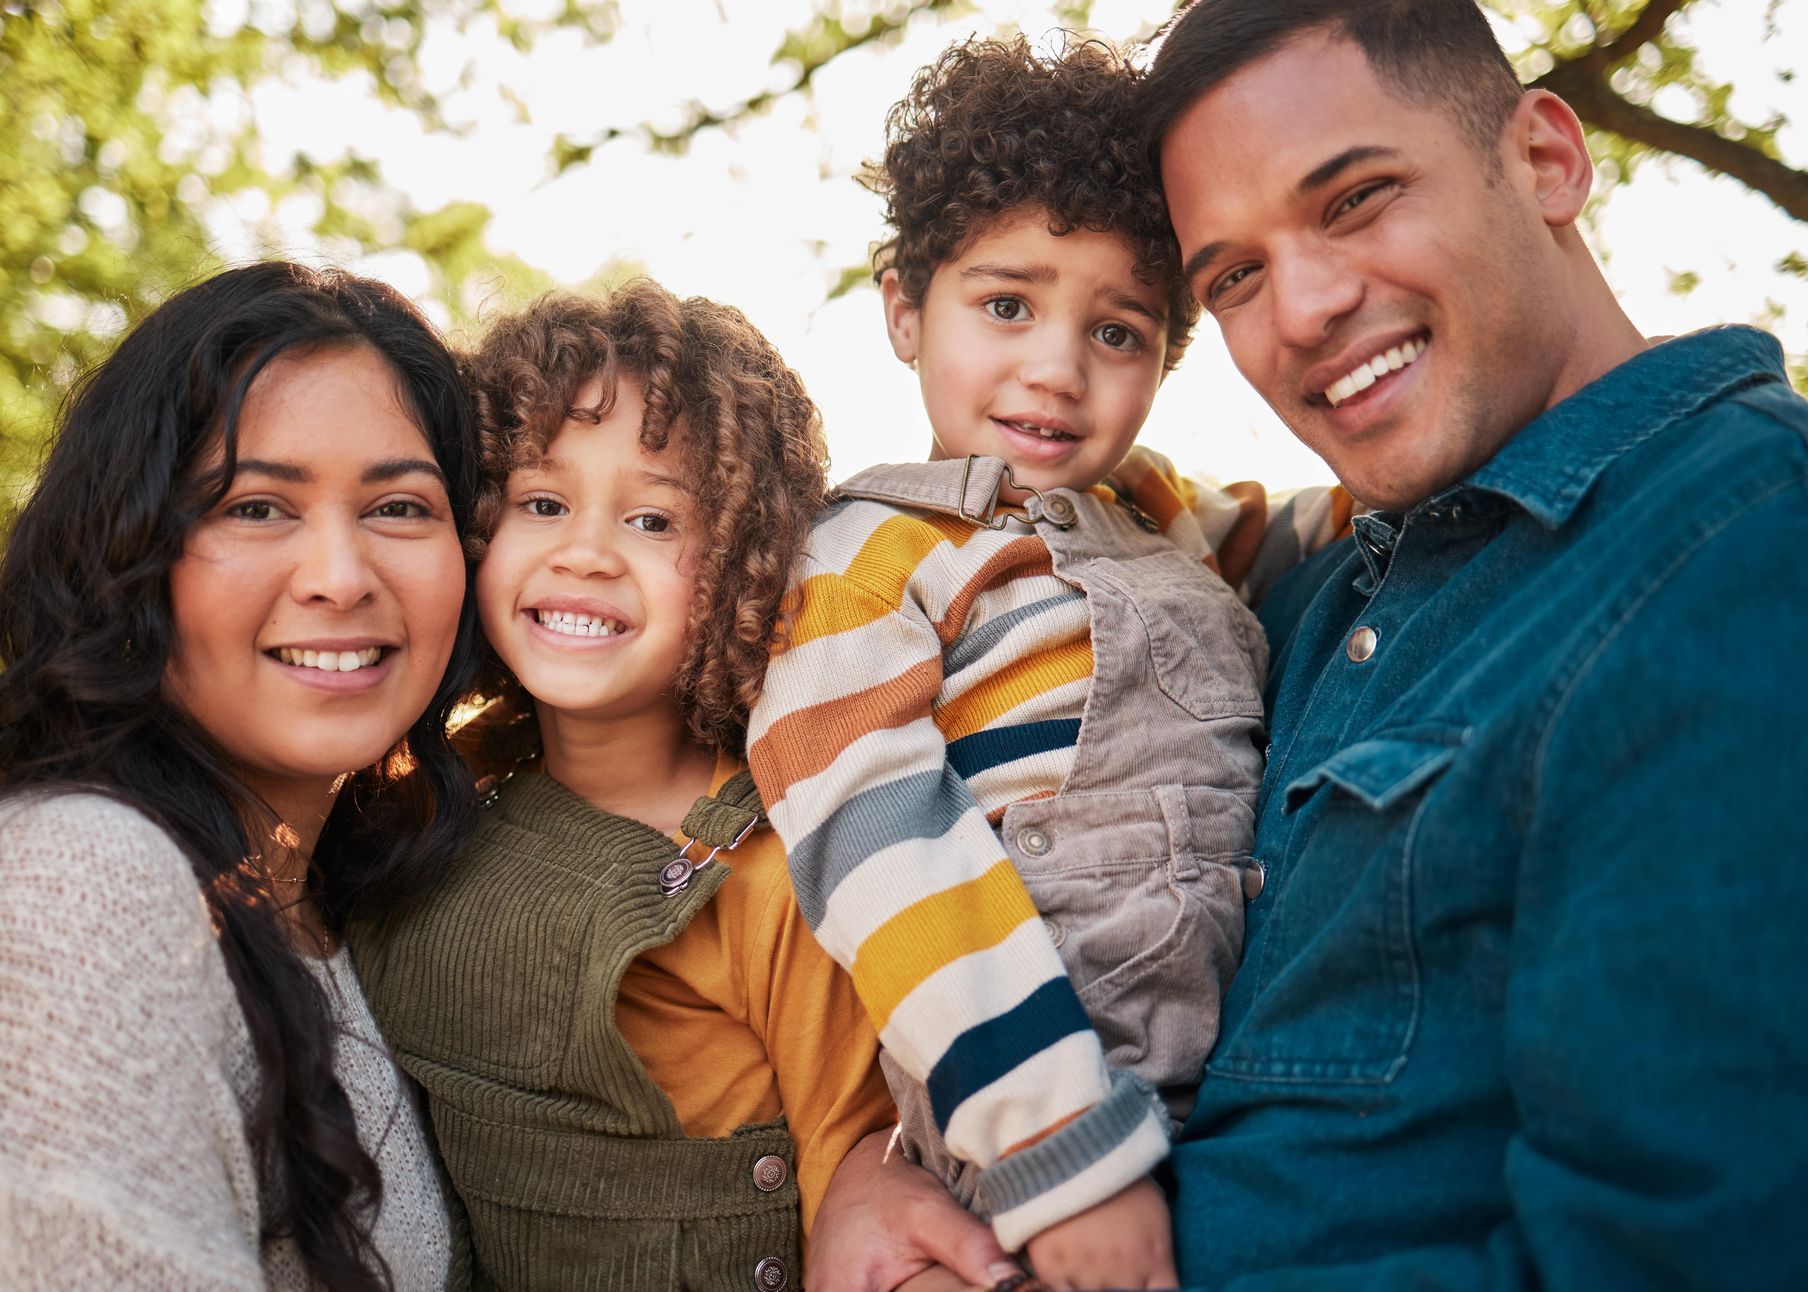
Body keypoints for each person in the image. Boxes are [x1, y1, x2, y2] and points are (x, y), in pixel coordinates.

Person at [1137, 0, 1808, 1286]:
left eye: (1355, 200)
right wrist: (884, 1174)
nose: (1303, 310)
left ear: (1546, 159)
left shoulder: (1741, 540)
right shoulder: (1300, 602)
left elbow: (1671, 1254)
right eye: (1234, 277)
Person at [746, 36, 1350, 1289]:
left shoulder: (1154, 512)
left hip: (1241, 1062)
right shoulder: (865, 555)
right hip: (1038, 1098)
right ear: (905, 308)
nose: (1057, 369)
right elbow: (880, 844)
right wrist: (1060, 1146)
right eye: (1007, 304)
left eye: (1118, 331)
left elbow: (1328, 527)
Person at [0, 262, 487, 1288]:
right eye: (255, 507)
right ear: (128, 549)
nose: (340, 577)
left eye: (398, 506)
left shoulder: (345, 900)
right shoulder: (70, 874)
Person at [350, 280, 939, 1290]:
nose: (584, 553)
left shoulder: (776, 863)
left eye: (653, 520)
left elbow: (854, 1164)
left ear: (744, 564)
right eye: (542, 504)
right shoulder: (432, 797)